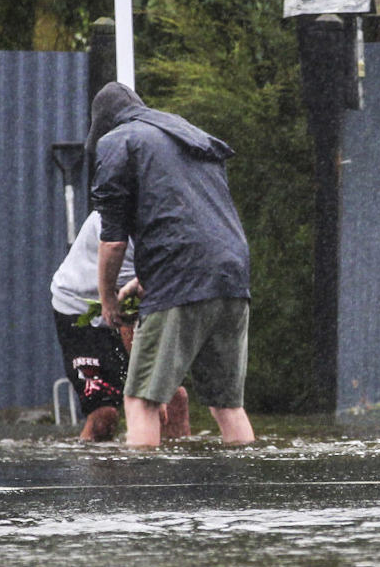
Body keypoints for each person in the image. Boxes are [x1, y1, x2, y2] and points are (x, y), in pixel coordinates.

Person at [88, 82, 255, 448]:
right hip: (232, 273)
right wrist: (144, 280)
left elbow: (114, 241)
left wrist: (107, 297)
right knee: (228, 406)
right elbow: (190, 223)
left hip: (181, 277)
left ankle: (143, 499)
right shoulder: (185, 133)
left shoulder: (118, 141)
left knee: (140, 400)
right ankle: (241, 490)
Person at [48, 211, 190, 442]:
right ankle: (91, 472)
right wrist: (152, 385)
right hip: (80, 309)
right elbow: (129, 321)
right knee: (105, 417)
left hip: (126, 306)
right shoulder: (116, 227)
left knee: (175, 399)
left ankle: (173, 471)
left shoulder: (170, 215)